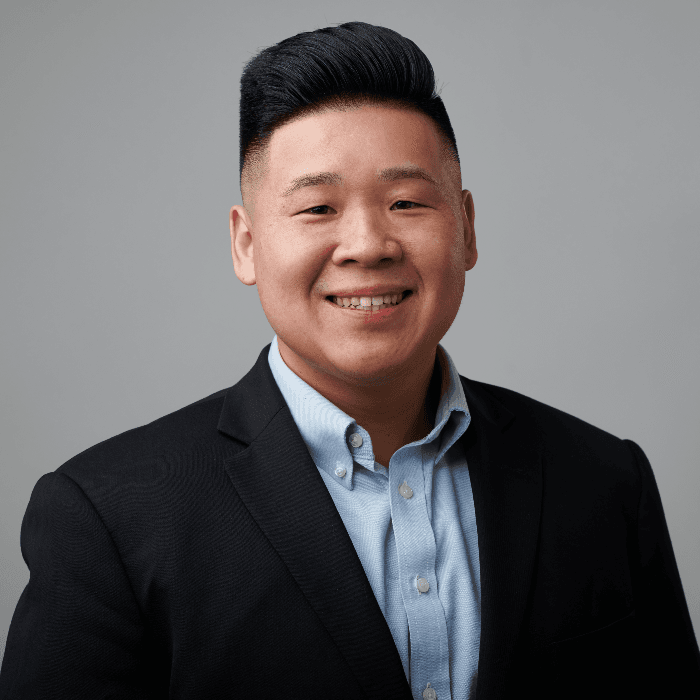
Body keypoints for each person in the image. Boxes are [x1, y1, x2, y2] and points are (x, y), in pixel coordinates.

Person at [0, 21, 698, 700]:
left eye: (406, 202)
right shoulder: (109, 518)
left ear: (466, 227)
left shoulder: (604, 483)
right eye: (317, 208)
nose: (367, 244)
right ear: (246, 244)